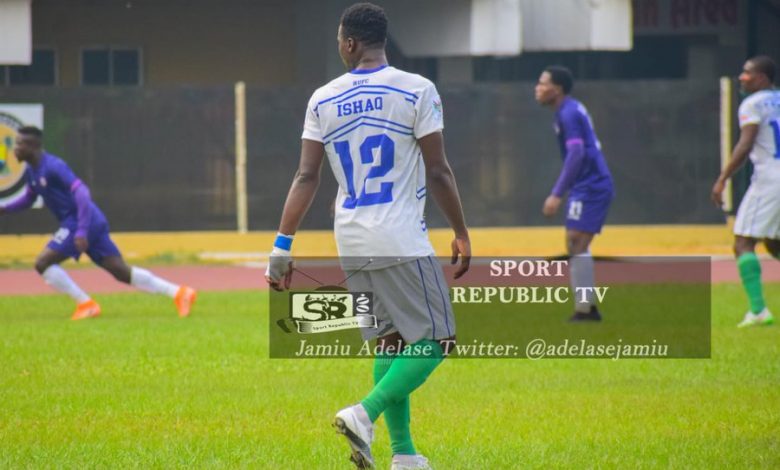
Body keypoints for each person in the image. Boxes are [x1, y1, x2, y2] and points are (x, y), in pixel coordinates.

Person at [264, 3, 470, 468]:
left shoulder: (323, 98)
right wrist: (460, 230)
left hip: (352, 241)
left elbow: (305, 177)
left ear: (351, 44)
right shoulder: (418, 90)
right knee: (438, 340)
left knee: (391, 343)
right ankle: (364, 413)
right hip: (400, 239)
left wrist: (281, 246)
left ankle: (405, 456)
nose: (339, 47)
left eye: (340, 40)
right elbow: (437, 170)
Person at [0, 126, 196, 320]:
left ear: (32, 146)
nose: (15, 148)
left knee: (43, 263)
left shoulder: (53, 166)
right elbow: (29, 197)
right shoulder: (31, 170)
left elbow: (82, 192)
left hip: (80, 221)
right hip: (89, 220)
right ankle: (179, 293)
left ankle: (86, 304)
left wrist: (82, 230)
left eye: (19, 144)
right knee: (120, 271)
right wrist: (4, 208)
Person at [534, 66, 614, 322]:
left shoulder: (568, 114)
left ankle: (586, 309)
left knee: (576, 241)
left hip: (592, 184)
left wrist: (557, 193)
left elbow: (577, 153)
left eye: (542, 83)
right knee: (575, 242)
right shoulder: (568, 109)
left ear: (556, 89)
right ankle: (586, 308)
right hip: (586, 184)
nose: (537, 88)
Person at [711, 55, 780, 328]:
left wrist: (723, 178)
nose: (742, 77)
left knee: (743, 242)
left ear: (761, 78)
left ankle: (758, 311)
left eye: (747, 73)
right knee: (774, 244)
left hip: (770, 179)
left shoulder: (752, 104)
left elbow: (745, 143)